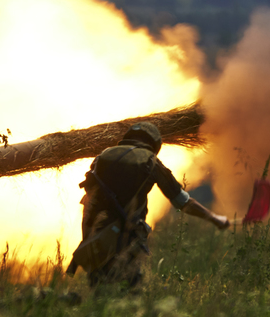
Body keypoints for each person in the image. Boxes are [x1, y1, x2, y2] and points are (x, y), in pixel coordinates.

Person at [66, 121, 229, 287]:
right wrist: (214, 218)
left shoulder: (102, 157)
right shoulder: (149, 160)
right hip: (126, 238)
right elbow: (183, 202)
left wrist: (88, 238)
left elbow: (88, 201)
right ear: (154, 143)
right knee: (128, 290)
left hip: (96, 237)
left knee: (99, 290)